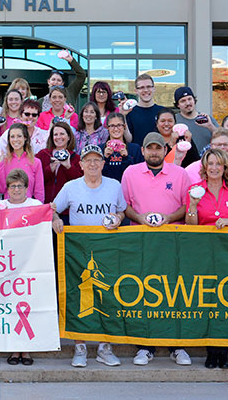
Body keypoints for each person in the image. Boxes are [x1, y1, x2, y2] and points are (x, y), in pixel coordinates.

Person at [121, 132, 192, 367]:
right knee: (146, 291)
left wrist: (169, 218)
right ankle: (145, 346)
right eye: (149, 148)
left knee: (174, 291)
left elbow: (187, 206)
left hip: (173, 241)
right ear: (142, 151)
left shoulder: (180, 174)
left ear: (165, 150)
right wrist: (139, 218)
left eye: (158, 148)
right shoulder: (131, 173)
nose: (154, 152)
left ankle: (176, 345)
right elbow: (125, 206)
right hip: (141, 241)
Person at [51, 145, 125, 369]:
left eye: (97, 160)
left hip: (107, 247)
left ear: (103, 164)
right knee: (77, 297)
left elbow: (122, 209)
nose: (92, 164)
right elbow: (53, 208)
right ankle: (80, 346)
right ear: (80, 164)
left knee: (108, 296)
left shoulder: (114, 185)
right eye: (88, 160)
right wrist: (55, 218)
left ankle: (105, 346)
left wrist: (119, 218)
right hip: (78, 250)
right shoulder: (71, 187)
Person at [184, 149, 228, 370]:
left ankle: (224, 351)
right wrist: (192, 206)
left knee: (226, 301)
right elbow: (190, 225)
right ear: (204, 166)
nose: (214, 168)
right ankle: (212, 351)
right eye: (210, 163)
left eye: (218, 164)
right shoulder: (195, 190)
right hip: (203, 254)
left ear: (225, 168)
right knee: (208, 301)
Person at [0, 123, 45, 203]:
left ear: (25, 138)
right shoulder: (3, 161)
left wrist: (38, 210)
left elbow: (39, 192)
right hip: (9, 209)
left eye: (19, 136)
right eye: (12, 136)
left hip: (27, 209)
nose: (15, 140)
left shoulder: (36, 162)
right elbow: (1, 189)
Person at [36, 122, 83, 205]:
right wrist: (50, 169)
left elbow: (80, 183)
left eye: (62, 134)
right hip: (45, 204)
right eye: (55, 134)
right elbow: (36, 179)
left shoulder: (76, 158)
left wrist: (69, 167)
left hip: (67, 207)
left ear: (69, 137)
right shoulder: (42, 154)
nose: (58, 137)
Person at [122, 74, 165, 146]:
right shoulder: (130, 112)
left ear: (154, 88)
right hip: (137, 155)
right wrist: (123, 116)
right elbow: (129, 140)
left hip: (159, 155)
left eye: (148, 86)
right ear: (136, 91)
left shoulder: (163, 111)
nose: (145, 90)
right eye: (141, 87)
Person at [100, 112, 143, 183]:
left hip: (128, 189)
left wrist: (126, 158)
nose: (116, 129)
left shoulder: (135, 149)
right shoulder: (100, 149)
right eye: (112, 126)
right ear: (107, 127)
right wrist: (105, 158)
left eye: (119, 125)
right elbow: (98, 175)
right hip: (107, 190)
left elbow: (138, 174)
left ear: (125, 126)